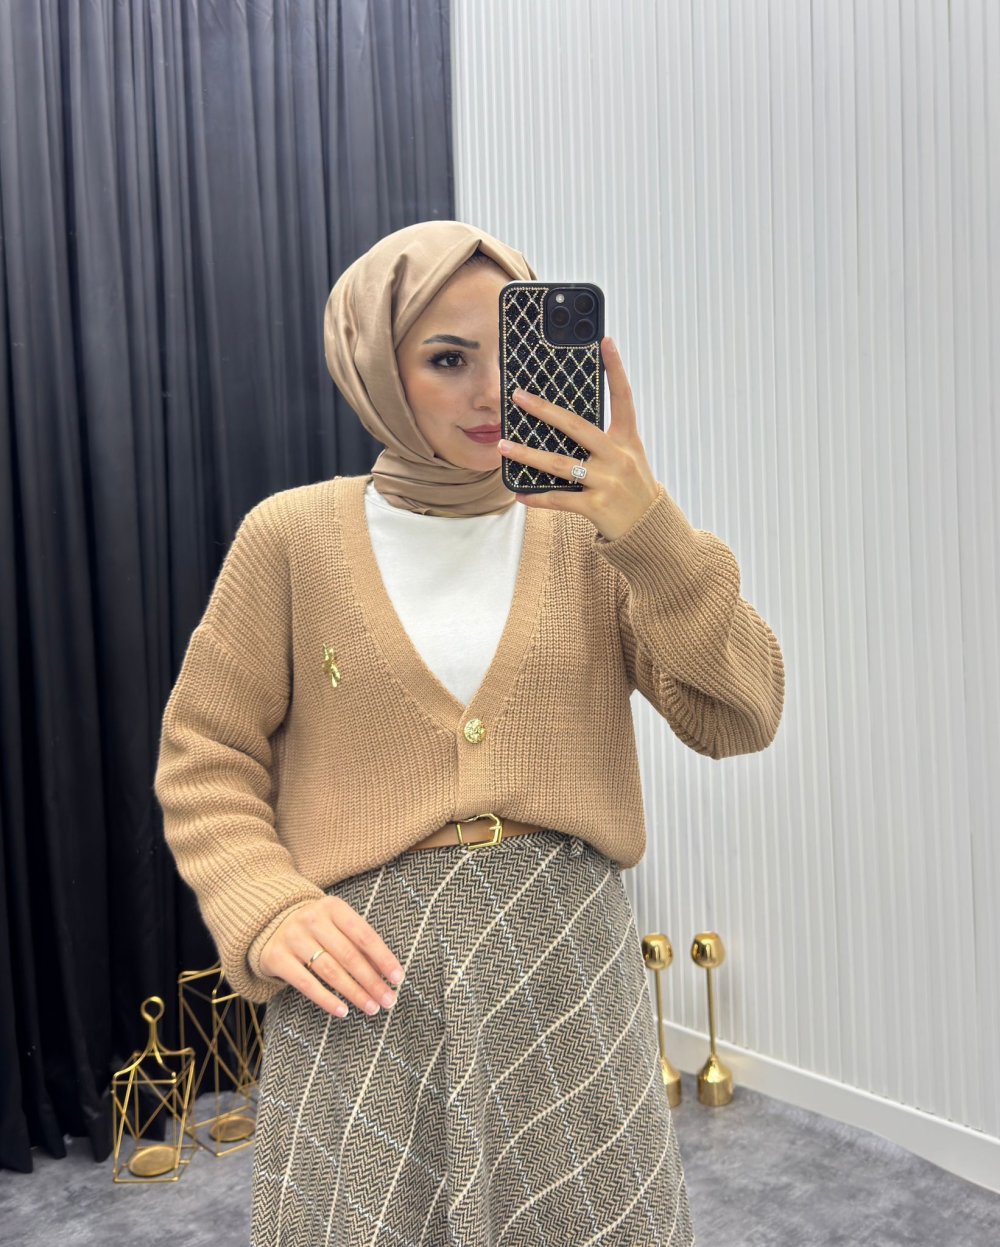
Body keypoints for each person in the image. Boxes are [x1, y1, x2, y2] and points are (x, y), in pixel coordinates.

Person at [154, 219, 784, 1246]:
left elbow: (743, 712)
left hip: (566, 976)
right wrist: (264, 905)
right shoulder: (291, 538)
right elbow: (205, 753)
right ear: (375, 365)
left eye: (512, 352)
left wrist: (650, 530)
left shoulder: (591, 538)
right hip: (362, 986)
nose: (494, 392)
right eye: (448, 359)